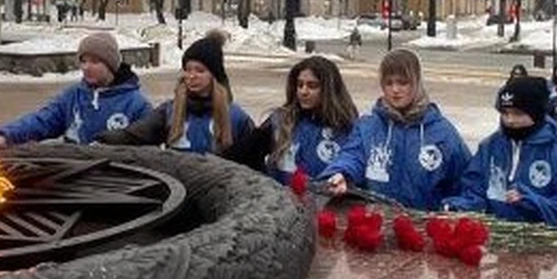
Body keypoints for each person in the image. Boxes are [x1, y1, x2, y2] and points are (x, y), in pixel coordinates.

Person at [319, 49, 475, 211]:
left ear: (417, 83)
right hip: (377, 226)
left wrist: (453, 208)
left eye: (403, 82)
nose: (395, 90)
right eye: (389, 83)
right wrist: (342, 173)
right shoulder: (368, 127)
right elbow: (352, 156)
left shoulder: (442, 132)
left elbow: (468, 182)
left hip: (423, 228)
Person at [442, 75, 557, 229]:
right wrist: (459, 207)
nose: (509, 120)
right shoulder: (490, 147)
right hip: (496, 237)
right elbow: (473, 190)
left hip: (541, 241)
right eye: (505, 113)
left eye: (518, 113)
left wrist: (531, 202)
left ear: (535, 113)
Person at [95, 30, 253, 153]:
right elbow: (136, 134)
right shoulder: (169, 111)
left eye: (200, 71)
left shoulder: (236, 117)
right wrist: (103, 140)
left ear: (214, 75)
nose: (191, 76)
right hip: (180, 190)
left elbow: (253, 163)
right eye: (187, 69)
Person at [0, 32, 152, 147]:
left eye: (95, 62)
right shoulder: (73, 96)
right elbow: (43, 120)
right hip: (73, 177)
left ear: (111, 65)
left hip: (113, 185)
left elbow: (147, 152)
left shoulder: (137, 105)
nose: (87, 67)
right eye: (83, 61)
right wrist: (7, 136)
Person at [223, 56, 359, 185]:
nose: (303, 91)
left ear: (329, 89)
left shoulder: (348, 127)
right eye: (300, 85)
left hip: (327, 206)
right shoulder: (280, 121)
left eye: (312, 86)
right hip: (282, 204)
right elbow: (241, 155)